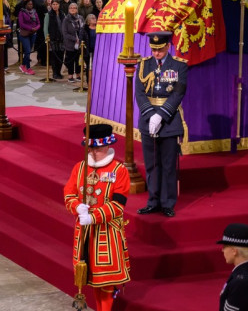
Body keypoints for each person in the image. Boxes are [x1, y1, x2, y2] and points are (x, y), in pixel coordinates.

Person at [63, 124, 131, 311]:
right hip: (85, 234)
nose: (92, 152)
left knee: (106, 280)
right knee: (92, 279)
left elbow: (118, 205)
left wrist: (94, 217)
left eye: (97, 148)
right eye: (90, 148)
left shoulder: (119, 171)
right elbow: (69, 194)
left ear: (107, 146)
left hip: (107, 234)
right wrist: (77, 207)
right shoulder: (79, 168)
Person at [136, 31, 188, 218]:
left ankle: (167, 202)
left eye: (160, 49)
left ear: (168, 46)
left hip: (169, 120)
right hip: (148, 120)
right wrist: (150, 116)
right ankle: (153, 201)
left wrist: (161, 116)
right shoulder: (144, 64)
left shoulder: (179, 65)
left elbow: (178, 92)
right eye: (153, 49)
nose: (156, 53)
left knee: (167, 164)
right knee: (151, 164)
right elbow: (140, 93)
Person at [17, 0, 40, 75]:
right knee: (27, 51)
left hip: (33, 34)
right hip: (25, 34)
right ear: (25, 5)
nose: (30, 5)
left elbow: (38, 23)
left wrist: (35, 28)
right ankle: (28, 68)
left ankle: (24, 65)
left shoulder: (34, 12)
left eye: (31, 4)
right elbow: (21, 24)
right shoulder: (22, 12)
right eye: (29, 4)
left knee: (29, 51)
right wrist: (31, 28)